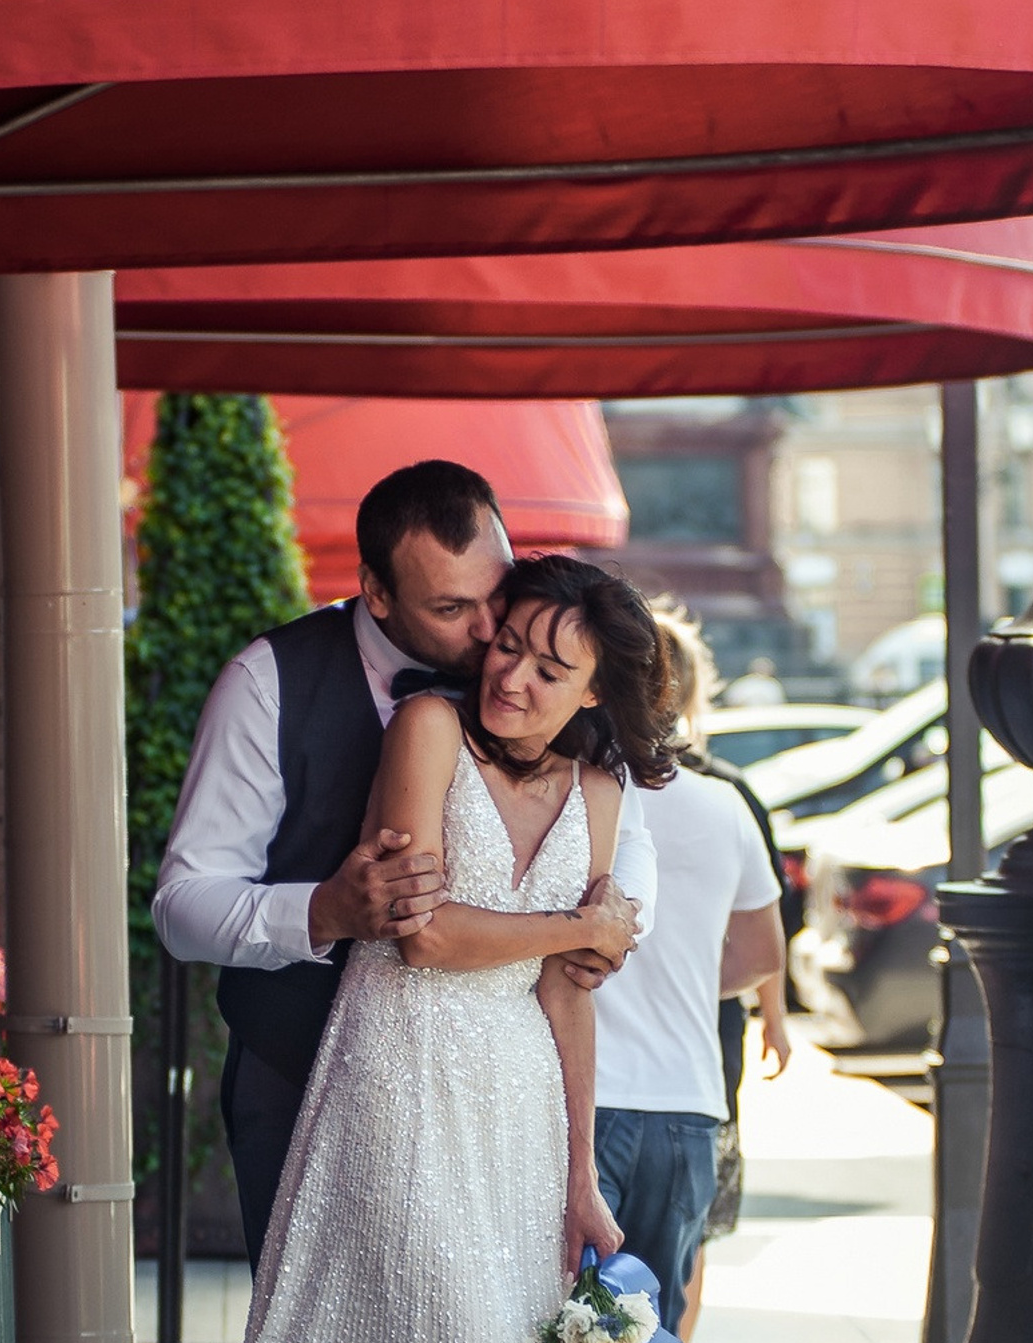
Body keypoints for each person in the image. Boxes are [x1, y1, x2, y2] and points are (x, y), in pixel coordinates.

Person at [220, 555, 678, 1343]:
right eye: (507, 643)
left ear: (596, 693)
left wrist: (581, 1178)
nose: (511, 674)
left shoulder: (599, 792)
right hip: (396, 1090)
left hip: (521, 1119)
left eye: (548, 663)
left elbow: (568, 1005)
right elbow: (421, 936)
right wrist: (582, 924)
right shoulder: (425, 725)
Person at [154, 460, 658, 1268]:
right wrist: (323, 911)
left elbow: (623, 832)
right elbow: (182, 906)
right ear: (377, 593)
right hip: (298, 1071)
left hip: (495, 1091)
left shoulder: (538, 673)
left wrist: (615, 918)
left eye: (497, 593)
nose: (494, 633)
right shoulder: (268, 682)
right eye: (454, 609)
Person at [592, 608, 787, 1343]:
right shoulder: (724, 808)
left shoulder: (578, 795)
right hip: (683, 1111)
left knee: (553, 1338)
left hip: (581, 1109)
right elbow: (757, 961)